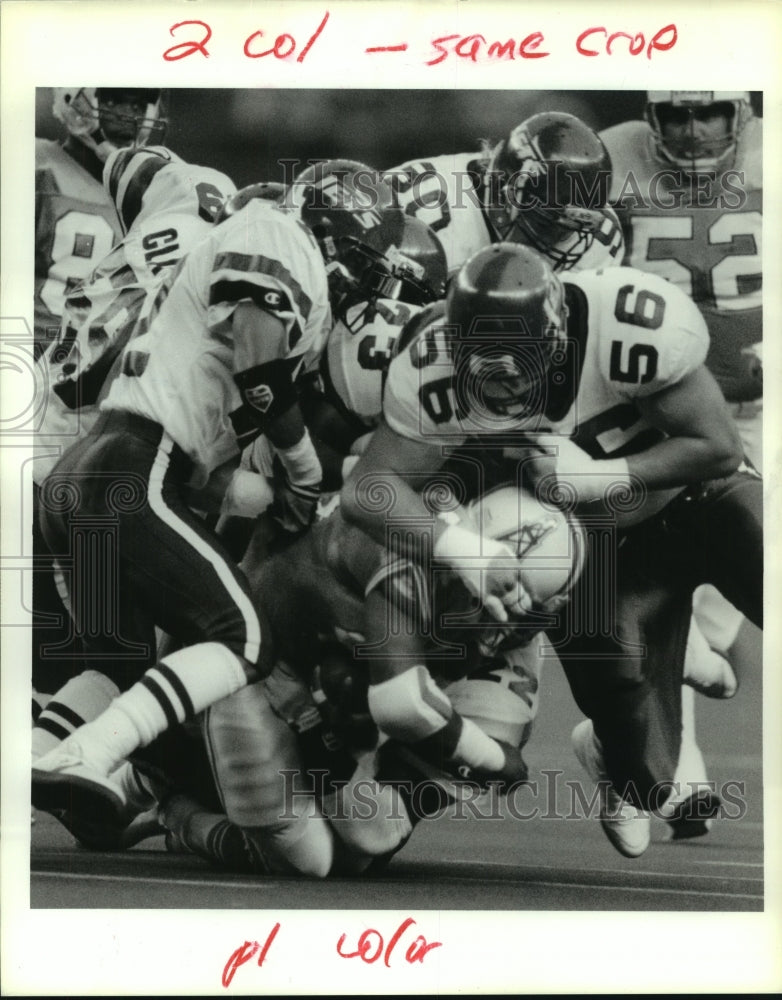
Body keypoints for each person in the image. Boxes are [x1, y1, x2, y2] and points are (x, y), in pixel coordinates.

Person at [340, 242, 762, 857]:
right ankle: (617, 753)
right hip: (597, 553)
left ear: (559, 332)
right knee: (645, 772)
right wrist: (466, 550)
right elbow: (370, 490)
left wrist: (598, 477)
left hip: (699, 500)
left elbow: (718, 445)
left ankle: (691, 649)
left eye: (520, 353)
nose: (504, 372)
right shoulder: (429, 361)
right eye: (482, 355)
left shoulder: (626, 323)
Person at [30, 160, 411, 834]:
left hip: (92, 472)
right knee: (244, 636)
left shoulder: (245, 252)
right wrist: (303, 470)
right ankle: (90, 756)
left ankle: (31, 758)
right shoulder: (278, 232)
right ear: (337, 233)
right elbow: (260, 366)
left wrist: (269, 497)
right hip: (128, 469)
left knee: (116, 662)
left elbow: (204, 468)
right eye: (364, 258)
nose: (365, 279)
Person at [31, 144, 237, 745]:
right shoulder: (226, 268)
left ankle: (54, 764)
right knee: (227, 637)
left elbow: (74, 377)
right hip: (97, 466)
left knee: (106, 669)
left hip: (49, 463)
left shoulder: (159, 214)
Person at [600, 91, 763, 835]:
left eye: (709, 113)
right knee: (668, 587)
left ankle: (627, 751)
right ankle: (669, 770)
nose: (692, 130)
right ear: (652, 116)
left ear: (741, 111)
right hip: (663, 400)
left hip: (764, 396)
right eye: (675, 115)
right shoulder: (610, 154)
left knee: (723, 599)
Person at [385, 110, 624, 277]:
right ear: (504, 188)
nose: (557, 240)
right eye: (545, 224)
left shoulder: (600, 239)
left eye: (566, 232)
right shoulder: (424, 206)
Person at [35, 88, 167, 362]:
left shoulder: (154, 190)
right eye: (113, 100)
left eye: (138, 105)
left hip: (97, 371)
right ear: (73, 98)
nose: (127, 116)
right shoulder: (35, 166)